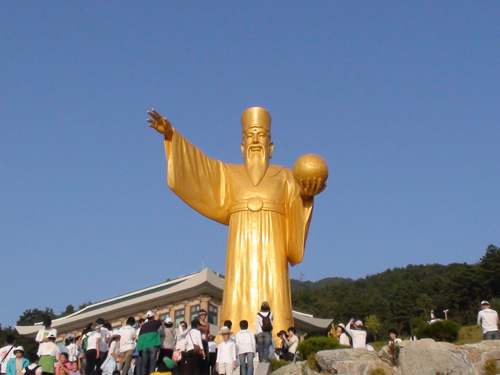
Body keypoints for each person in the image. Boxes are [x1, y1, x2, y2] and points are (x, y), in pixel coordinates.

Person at [147, 107, 325, 334]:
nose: (255, 140)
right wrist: (171, 135)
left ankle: (279, 337)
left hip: (274, 242)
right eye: (249, 136)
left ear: (271, 147)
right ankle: (230, 336)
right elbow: (198, 167)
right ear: (242, 147)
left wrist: (307, 197)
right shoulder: (228, 173)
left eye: (261, 136)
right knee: (239, 284)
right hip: (241, 241)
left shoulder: (287, 176)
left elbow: (296, 215)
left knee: (275, 287)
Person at [137, 310, 162, 375]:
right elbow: (159, 321)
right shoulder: (155, 323)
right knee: (152, 363)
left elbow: (140, 338)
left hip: (144, 347)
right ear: (153, 317)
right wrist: (158, 314)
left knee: (144, 364)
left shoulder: (143, 326)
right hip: (153, 346)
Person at [197, 311, 210, 375]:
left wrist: (209, 336)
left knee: (206, 358)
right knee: (200, 357)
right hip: (199, 342)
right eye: (201, 315)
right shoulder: (197, 323)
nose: (203, 317)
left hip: (205, 341)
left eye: (204, 315)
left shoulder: (207, 324)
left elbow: (208, 332)